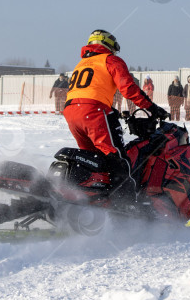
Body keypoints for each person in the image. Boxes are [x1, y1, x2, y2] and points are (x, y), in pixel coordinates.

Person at [63, 29, 167, 195]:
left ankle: (92, 195)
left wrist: (110, 109)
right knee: (115, 156)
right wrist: (151, 107)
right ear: (107, 44)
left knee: (93, 158)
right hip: (94, 112)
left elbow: (87, 91)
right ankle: (125, 200)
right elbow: (128, 88)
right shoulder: (110, 60)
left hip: (71, 112)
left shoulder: (81, 64)